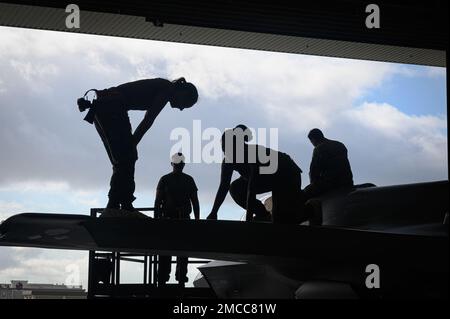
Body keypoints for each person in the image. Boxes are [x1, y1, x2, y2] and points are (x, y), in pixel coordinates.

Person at [78, 78, 198, 215]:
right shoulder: (167, 89)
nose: (182, 108)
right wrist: (132, 144)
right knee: (126, 158)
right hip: (110, 107)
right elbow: (148, 120)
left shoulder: (165, 86)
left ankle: (120, 202)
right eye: (185, 103)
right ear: (182, 92)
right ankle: (118, 203)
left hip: (104, 106)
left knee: (122, 159)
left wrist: (132, 145)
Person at [206, 125, 304, 224]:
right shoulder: (228, 160)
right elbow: (224, 186)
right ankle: (263, 214)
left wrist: (248, 222)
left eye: (227, 148)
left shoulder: (253, 154)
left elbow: (252, 188)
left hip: (288, 174)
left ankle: (309, 209)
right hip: (268, 179)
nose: (225, 152)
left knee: (282, 220)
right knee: (235, 188)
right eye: (224, 148)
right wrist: (214, 212)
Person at [154, 152, 200, 286]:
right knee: (182, 252)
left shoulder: (165, 179)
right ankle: (179, 278)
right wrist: (197, 220)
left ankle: (163, 279)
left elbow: (157, 202)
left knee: (165, 252)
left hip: (168, 221)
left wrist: (156, 219)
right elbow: (195, 202)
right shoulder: (188, 180)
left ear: (172, 163)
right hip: (182, 220)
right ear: (183, 164)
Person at [303, 128, 353, 200]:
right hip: (347, 182)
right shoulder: (340, 145)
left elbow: (314, 171)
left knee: (303, 194)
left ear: (313, 140)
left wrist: (313, 185)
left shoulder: (319, 149)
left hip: (331, 184)